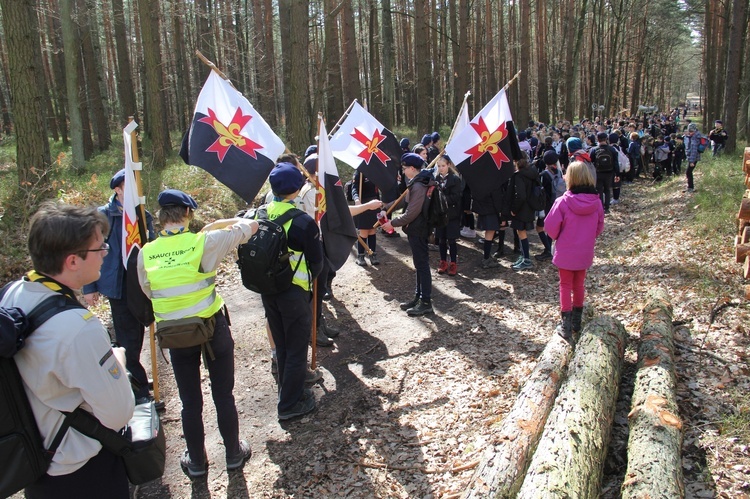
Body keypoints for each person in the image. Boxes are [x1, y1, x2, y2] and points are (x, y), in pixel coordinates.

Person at [2, 202, 134, 498]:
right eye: (100, 248)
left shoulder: (12, 296)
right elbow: (118, 414)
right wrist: (117, 360)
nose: (105, 255)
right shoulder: (77, 328)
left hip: (33, 461)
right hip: (82, 470)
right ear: (73, 261)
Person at [137, 189, 257, 478]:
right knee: (223, 394)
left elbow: (148, 290)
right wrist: (232, 222)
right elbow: (249, 228)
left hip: (175, 335)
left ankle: (197, 462)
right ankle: (232, 453)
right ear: (188, 214)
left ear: (161, 218)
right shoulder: (205, 243)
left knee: (190, 401)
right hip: (212, 328)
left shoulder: (145, 253)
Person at [258, 163, 324, 420]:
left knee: (283, 345)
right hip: (294, 292)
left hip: (267, 290)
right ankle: (289, 405)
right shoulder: (304, 222)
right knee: (297, 348)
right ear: (297, 189)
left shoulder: (260, 214)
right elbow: (317, 262)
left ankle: (287, 389)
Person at [83, 169, 155, 404]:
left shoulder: (143, 215)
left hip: (141, 285)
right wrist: (89, 287)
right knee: (128, 341)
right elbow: (89, 252)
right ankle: (139, 392)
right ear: (118, 189)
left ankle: (136, 379)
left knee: (139, 335)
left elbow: (152, 248)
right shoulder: (102, 217)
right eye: (128, 185)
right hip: (118, 286)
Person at [544, 161, 604, 340]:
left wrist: (559, 237)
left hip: (566, 250)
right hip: (584, 250)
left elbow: (550, 226)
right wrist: (587, 237)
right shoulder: (596, 202)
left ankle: (566, 324)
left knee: (565, 284)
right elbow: (599, 227)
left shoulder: (562, 202)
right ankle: (577, 321)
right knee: (579, 284)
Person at [381, 153, 435, 316]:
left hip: (418, 229)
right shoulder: (416, 183)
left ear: (412, 168)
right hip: (415, 229)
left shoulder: (419, 186)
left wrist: (393, 223)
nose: (403, 171)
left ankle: (426, 302)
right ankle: (418, 297)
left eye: (404, 168)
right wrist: (386, 206)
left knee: (422, 265)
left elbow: (411, 212)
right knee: (419, 264)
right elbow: (404, 200)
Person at [509, 155, 539, 270]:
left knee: (521, 233)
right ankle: (523, 256)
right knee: (521, 232)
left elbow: (521, 195)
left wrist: (514, 209)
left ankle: (526, 259)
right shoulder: (532, 172)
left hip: (522, 209)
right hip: (530, 207)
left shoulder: (519, 175)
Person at [434, 154, 462, 276]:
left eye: (443, 166)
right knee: (441, 239)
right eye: (439, 166)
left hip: (451, 213)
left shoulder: (455, 179)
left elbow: (456, 197)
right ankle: (443, 261)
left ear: (448, 165)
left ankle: (453, 263)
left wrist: (442, 199)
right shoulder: (435, 179)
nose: (441, 168)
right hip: (439, 214)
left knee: (451, 240)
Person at [351, 170, 381, 266]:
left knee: (372, 230)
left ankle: (373, 254)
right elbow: (354, 188)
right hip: (363, 204)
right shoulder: (360, 172)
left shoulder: (375, 171)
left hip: (374, 203)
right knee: (363, 231)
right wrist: (356, 199)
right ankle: (361, 256)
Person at [590, 131, 620, 213]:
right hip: (609, 172)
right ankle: (607, 208)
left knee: (599, 190)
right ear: (606, 139)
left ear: (598, 139)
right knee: (607, 189)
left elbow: (590, 161)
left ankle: (600, 207)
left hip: (598, 172)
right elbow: (616, 163)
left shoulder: (594, 150)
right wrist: (617, 174)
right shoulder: (612, 149)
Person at [683, 123, 703, 193]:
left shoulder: (695, 138)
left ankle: (690, 187)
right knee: (688, 172)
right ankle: (690, 187)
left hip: (693, 158)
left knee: (688, 172)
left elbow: (694, 151)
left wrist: (691, 161)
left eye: (691, 131)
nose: (690, 132)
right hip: (691, 157)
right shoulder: (693, 136)